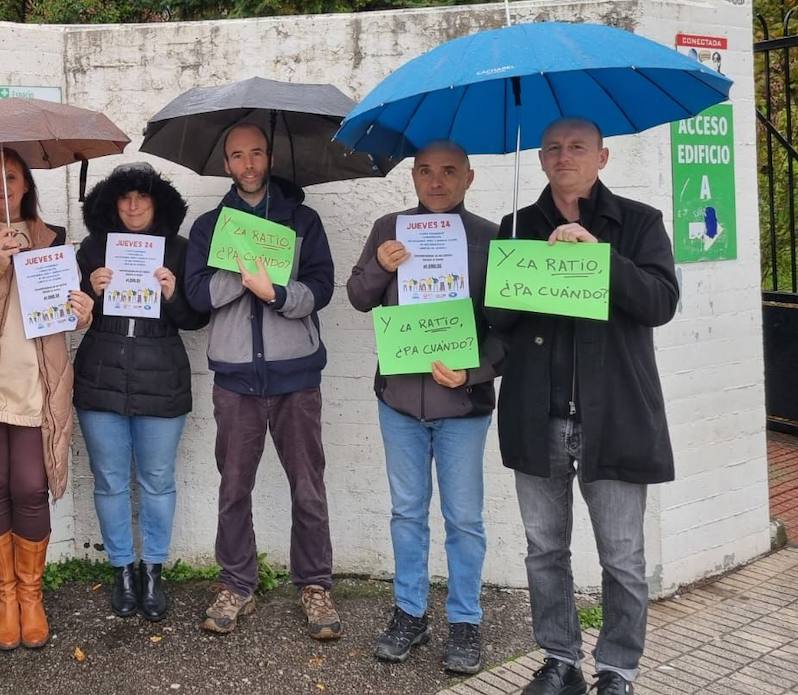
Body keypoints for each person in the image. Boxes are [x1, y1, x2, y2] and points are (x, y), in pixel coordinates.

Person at [493, 118, 679, 695]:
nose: (563, 156)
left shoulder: (640, 223)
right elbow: (498, 320)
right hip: (536, 414)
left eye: (577, 147)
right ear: (542, 159)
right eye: (552, 148)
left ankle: (618, 670)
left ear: (603, 157)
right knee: (545, 550)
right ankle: (559, 658)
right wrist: (529, 271)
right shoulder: (517, 226)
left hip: (613, 416)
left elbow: (659, 303)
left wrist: (599, 258)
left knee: (623, 557)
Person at [345, 141, 503, 675]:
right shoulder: (389, 228)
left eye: (449, 172)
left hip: (463, 404)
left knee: (463, 519)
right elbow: (358, 296)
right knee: (407, 514)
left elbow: (510, 330)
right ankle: (410, 613)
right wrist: (380, 269)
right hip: (399, 401)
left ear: (469, 177)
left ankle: (465, 622)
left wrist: (474, 371)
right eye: (425, 171)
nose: (436, 182)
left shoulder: (490, 236)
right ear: (413, 176)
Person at [184, 122, 341, 641]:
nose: (247, 164)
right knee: (234, 487)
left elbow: (321, 288)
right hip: (234, 379)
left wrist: (274, 291)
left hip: (297, 376)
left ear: (269, 157)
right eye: (237, 156)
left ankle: (315, 585)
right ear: (226, 164)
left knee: (308, 486)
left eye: (256, 153)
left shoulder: (302, 220)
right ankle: (236, 583)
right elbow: (198, 296)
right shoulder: (210, 227)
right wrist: (240, 279)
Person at [0, 148, 94, 651]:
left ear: (25, 183)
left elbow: (64, 312)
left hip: (36, 379)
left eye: (10, 177)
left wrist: (82, 312)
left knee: (31, 485)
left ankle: (32, 595)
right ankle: (6, 596)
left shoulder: (53, 238)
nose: (2, 187)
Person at [75, 163, 209, 620]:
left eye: (142, 198)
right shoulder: (92, 249)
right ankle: (121, 569)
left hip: (161, 378)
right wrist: (86, 292)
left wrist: (173, 295)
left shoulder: (182, 249)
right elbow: (65, 312)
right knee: (110, 481)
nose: (133, 206)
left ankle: (153, 569)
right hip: (100, 377)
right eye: (125, 198)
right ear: (112, 204)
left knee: (157, 481)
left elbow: (197, 318)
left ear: (158, 204)